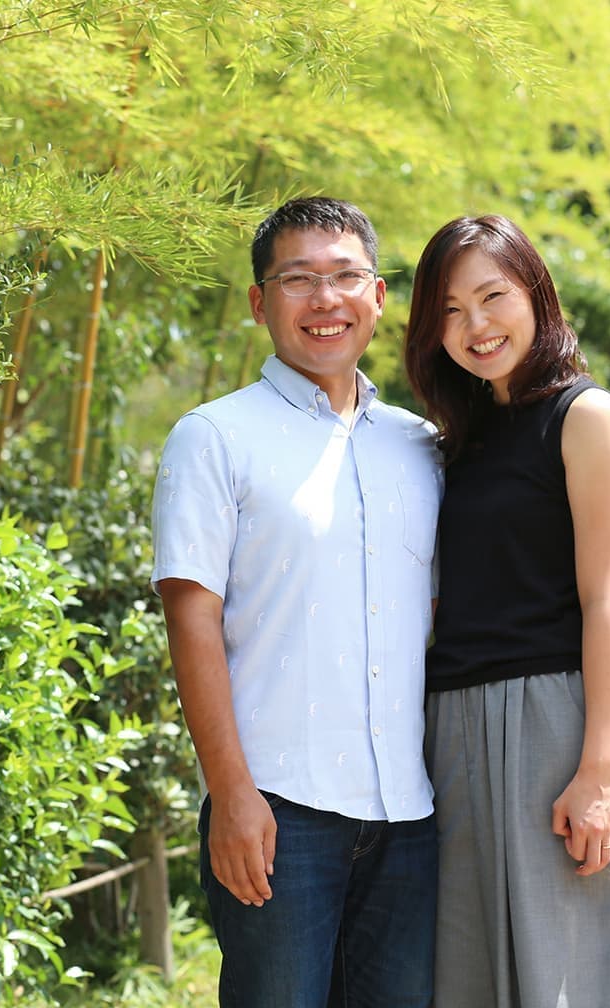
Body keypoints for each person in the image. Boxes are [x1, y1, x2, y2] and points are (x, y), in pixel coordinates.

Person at [151, 196, 441, 1007]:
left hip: (409, 817)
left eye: (345, 277)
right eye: (298, 279)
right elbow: (192, 621)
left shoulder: (420, 446)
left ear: (378, 295)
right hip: (279, 814)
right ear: (259, 302)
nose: (325, 299)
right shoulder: (213, 437)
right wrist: (231, 796)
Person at [403, 214, 610, 1007]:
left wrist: (598, 775)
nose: (475, 325)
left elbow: (606, 599)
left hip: (558, 724)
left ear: (535, 293)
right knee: (474, 982)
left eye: (492, 297)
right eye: (450, 311)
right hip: (455, 732)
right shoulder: (457, 438)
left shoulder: (585, 415)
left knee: (577, 975)